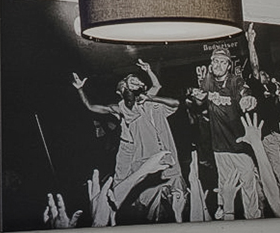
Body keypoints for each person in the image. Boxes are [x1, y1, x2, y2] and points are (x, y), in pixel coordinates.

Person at [72, 60, 184, 223]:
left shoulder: (148, 99)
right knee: (134, 193)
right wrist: (80, 89)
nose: (135, 82)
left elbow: (157, 87)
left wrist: (149, 71)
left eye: (137, 81)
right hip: (136, 154)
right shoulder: (121, 107)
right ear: (121, 90)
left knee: (173, 196)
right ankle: (120, 215)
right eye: (130, 82)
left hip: (156, 153)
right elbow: (91, 107)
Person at [188, 43, 265, 219]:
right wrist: (197, 98)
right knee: (224, 181)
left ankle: (253, 215)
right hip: (219, 145)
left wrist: (248, 99)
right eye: (215, 62)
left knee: (247, 183)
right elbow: (200, 104)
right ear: (211, 63)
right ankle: (223, 207)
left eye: (223, 62)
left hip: (239, 144)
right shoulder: (207, 81)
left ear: (229, 65)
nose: (218, 66)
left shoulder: (234, 81)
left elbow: (245, 91)